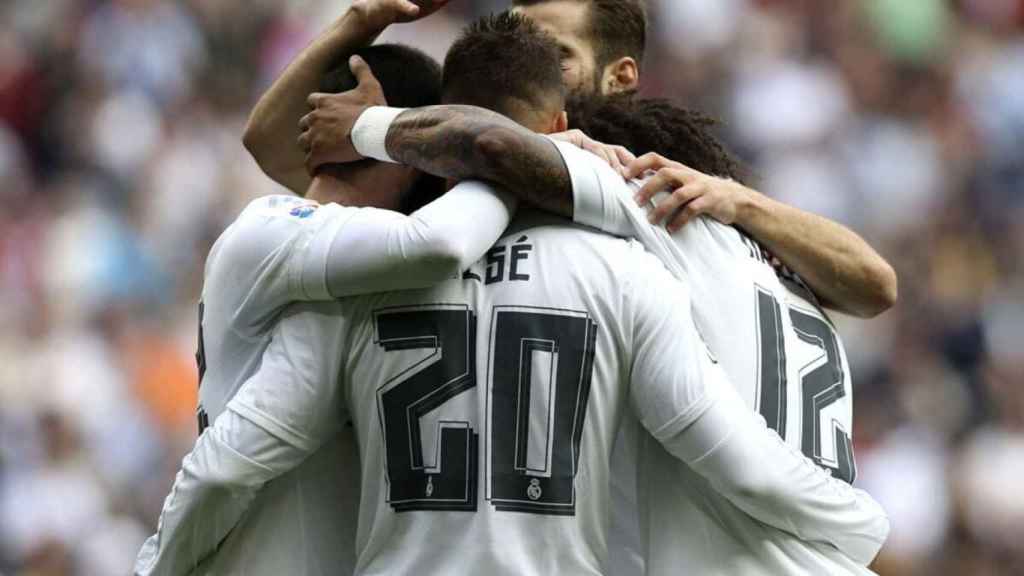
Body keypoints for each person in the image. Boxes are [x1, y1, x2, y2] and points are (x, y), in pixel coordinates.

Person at [142, 13, 889, 575]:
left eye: (560, 51)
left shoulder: (625, 199)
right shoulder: (718, 250)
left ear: (615, 83)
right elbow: (876, 285)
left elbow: (481, 155)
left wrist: (375, 126)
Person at [135, 36, 518, 576]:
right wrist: (512, 168)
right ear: (415, 156)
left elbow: (263, 138)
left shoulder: (339, 264)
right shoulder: (272, 229)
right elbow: (438, 243)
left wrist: (361, 19)